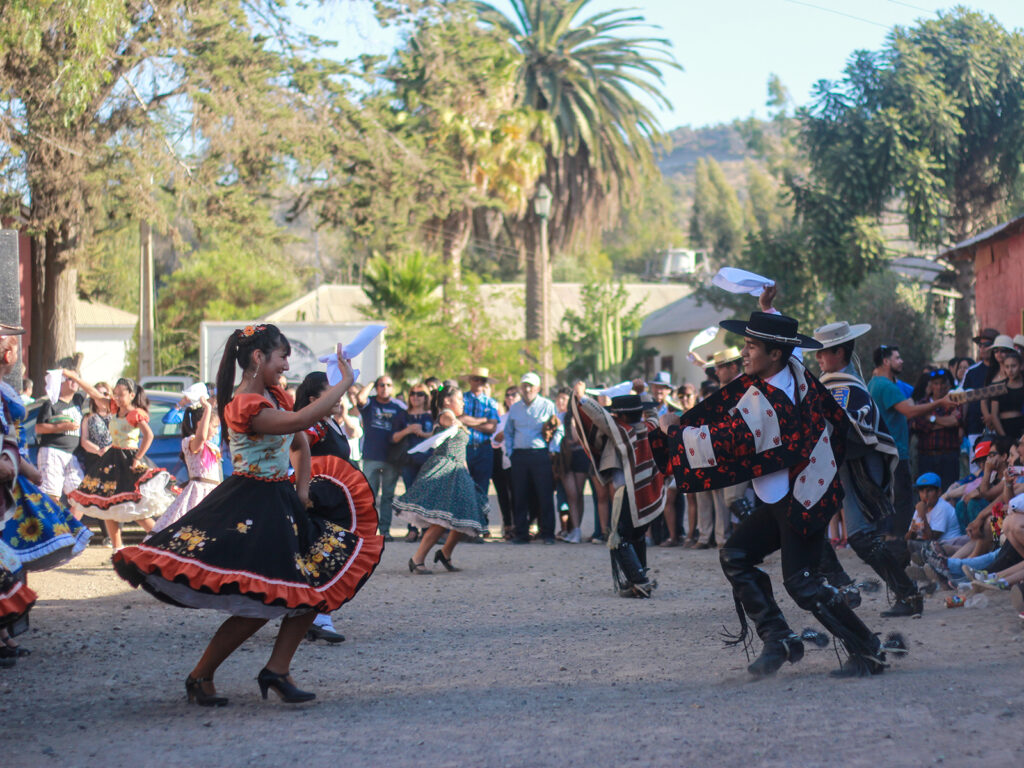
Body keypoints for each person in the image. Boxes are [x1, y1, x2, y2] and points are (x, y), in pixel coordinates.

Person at [113, 325, 382, 705]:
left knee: (313, 587)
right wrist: (346, 383)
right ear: (259, 357)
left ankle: (275, 669)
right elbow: (300, 423)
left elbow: (300, 443)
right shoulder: (244, 405)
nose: (286, 366)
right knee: (266, 597)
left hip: (281, 502)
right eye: (282, 357)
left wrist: (302, 490)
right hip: (252, 505)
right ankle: (203, 675)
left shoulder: (273, 396)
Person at [648, 309, 905, 677]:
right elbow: (786, 343)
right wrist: (767, 307)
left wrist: (674, 431)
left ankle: (869, 650)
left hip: (801, 500)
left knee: (802, 583)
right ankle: (779, 638)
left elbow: (726, 441)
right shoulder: (790, 371)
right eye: (745, 344)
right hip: (789, 494)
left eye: (751, 346)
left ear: (774, 354)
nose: (743, 353)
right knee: (736, 555)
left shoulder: (773, 401)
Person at [811, 320, 924, 619]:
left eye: (823, 352)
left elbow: (850, 426)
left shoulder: (845, 387)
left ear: (839, 352)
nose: (818, 358)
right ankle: (850, 587)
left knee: (860, 536)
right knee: (812, 528)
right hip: (843, 465)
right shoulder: (832, 384)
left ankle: (907, 593)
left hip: (856, 466)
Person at [292, 371, 383, 645]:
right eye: (330, 393)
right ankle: (318, 617)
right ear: (313, 400)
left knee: (330, 555)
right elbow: (294, 452)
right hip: (317, 502)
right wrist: (303, 489)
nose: (338, 397)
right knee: (323, 555)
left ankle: (309, 615)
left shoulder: (330, 423)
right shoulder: (312, 426)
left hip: (334, 502)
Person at [0, 334, 91, 572]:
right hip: (13, 468)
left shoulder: (5, 390)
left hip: (15, 468)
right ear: (8, 356)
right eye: (16, 352)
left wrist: (25, 467)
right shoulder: (47, 403)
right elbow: (15, 432)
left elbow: (9, 434)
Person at [64, 374, 174, 550]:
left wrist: (137, 458)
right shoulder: (114, 408)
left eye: (121, 394)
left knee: (136, 509)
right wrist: (75, 378)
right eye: (115, 394)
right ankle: (117, 549)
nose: (117, 397)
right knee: (107, 507)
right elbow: (93, 392)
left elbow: (149, 435)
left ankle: (162, 542)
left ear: (131, 395)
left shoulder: (134, 414)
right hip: (112, 460)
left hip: (128, 460)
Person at [572, 394, 666, 597]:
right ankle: (637, 577)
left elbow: (599, 418)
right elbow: (653, 414)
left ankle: (639, 581)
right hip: (646, 492)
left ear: (621, 416)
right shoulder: (650, 427)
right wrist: (642, 393)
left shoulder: (622, 432)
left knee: (620, 537)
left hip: (627, 493)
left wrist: (582, 399)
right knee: (637, 536)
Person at [394, 387, 487, 573]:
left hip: (458, 469)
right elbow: (452, 423)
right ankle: (417, 559)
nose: (463, 402)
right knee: (442, 519)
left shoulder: (454, 418)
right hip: (445, 468)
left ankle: (445, 553)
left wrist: (466, 473)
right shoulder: (446, 415)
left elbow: (460, 449)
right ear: (447, 401)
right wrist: (479, 421)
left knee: (463, 514)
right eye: (459, 399)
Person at [868, 345, 954, 536]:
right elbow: (909, 411)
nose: (902, 361)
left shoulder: (875, 383)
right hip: (895, 452)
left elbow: (913, 398)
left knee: (890, 499)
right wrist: (940, 402)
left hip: (884, 451)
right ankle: (900, 543)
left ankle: (889, 540)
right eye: (897, 358)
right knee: (902, 499)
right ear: (886, 362)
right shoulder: (887, 386)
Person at [695, 347, 749, 550]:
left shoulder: (745, 388)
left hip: (745, 451)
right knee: (730, 498)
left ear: (733, 367)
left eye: (720, 367)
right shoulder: (724, 390)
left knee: (733, 498)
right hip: (727, 451)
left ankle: (759, 539)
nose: (716, 372)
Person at [148, 395, 222, 536]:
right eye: (214, 427)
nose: (216, 431)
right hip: (198, 493)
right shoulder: (191, 442)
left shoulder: (212, 447)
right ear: (201, 424)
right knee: (191, 529)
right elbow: (201, 438)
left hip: (212, 491)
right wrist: (207, 409)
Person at [504, 373, 561, 544]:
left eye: (531, 386)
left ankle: (548, 534)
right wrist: (510, 452)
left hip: (540, 454)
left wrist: (552, 450)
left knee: (545, 495)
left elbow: (559, 429)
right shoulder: (515, 408)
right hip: (519, 455)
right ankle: (521, 533)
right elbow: (508, 432)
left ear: (538, 388)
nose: (527, 389)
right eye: (524, 386)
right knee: (519, 495)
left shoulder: (547, 405)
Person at [356, 375, 405, 541]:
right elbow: (360, 398)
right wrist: (372, 382)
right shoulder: (370, 403)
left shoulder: (398, 406)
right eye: (381, 385)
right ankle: (368, 531)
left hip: (391, 457)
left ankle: (385, 530)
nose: (385, 388)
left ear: (392, 387)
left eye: (388, 385)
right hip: (371, 455)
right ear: (376, 387)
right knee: (369, 496)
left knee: (388, 496)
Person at [33, 370, 85, 504]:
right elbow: (39, 427)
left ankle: (69, 519)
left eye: (76, 378)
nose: (74, 381)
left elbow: (91, 391)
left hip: (72, 455)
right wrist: (62, 427)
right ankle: (49, 518)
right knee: (52, 496)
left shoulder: (78, 400)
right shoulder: (51, 403)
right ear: (60, 383)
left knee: (81, 497)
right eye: (70, 379)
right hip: (53, 451)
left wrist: (75, 377)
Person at [909, 368, 963, 492]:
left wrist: (930, 418)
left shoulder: (954, 402)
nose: (939, 387)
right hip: (927, 457)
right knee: (927, 493)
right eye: (936, 383)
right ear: (930, 385)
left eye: (942, 383)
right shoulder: (921, 404)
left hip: (949, 456)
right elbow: (917, 424)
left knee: (949, 492)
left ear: (948, 385)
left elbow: (955, 421)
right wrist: (945, 422)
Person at [461, 368, 499, 535]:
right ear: (470, 380)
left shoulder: (491, 402)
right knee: (464, 487)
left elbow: (492, 427)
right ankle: (464, 526)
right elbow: (459, 419)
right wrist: (483, 420)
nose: (479, 383)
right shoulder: (461, 399)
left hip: (483, 448)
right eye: (476, 379)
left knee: (482, 488)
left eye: (482, 380)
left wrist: (470, 422)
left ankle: (481, 524)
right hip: (465, 448)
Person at [962, 328, 998, 449]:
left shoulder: (1004, 369)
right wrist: (962, 425)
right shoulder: (971, 372)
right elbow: (964, 400)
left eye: (986, 344)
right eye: (980, 345)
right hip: (975, 428)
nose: (982, 348)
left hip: (1001, 426)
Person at [492, 386, 520, 540]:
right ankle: (508, 524)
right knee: (504, 493)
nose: (510, 398)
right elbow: (494, 440)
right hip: (504, 459)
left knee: (520, 494)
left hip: (521, 457)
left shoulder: (524, 415)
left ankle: (522, 524)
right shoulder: (502, 419)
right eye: (507, 395)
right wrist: (502, 435)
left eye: (514, 395)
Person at [984, 349, 1024, 441]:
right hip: (1004, 428)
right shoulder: (999, 388)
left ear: (1020, 366)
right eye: (1007, 367)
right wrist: (1004, 437)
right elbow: (994, 415)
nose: (1010, 370)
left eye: (1013, 366)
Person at [78, 382, 112, 477]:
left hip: (115, 461)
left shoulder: (118, 417)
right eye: (98, 394)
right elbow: (84, 440)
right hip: (94, 463)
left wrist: (109, 449)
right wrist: (99, 451)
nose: (102, 397)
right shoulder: (88, 418)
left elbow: (123, 437)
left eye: (105, 394)